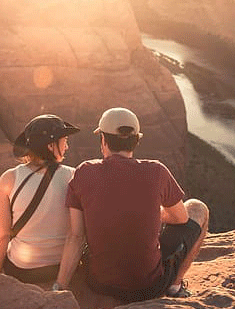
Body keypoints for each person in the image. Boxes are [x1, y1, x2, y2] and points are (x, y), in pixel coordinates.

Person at [53, 107, 209, 302]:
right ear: (136, 140)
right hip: (148, 288)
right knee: (197, 207)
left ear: (103, 140)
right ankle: (175, 287)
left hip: (100, 285)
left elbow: (75, 236)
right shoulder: (157, 171)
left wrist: (59, 288)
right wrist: (155, 213)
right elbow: (181, 218)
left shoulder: (84, 172)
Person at [0, 114, 80, 283]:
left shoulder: (9, 178)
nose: (67, 146)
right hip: (58, 267)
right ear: (51, 145)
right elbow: (76, 235)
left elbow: (1, 233)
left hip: (21, 269)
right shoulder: (74, 176)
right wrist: (60, 286)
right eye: (64, 141)